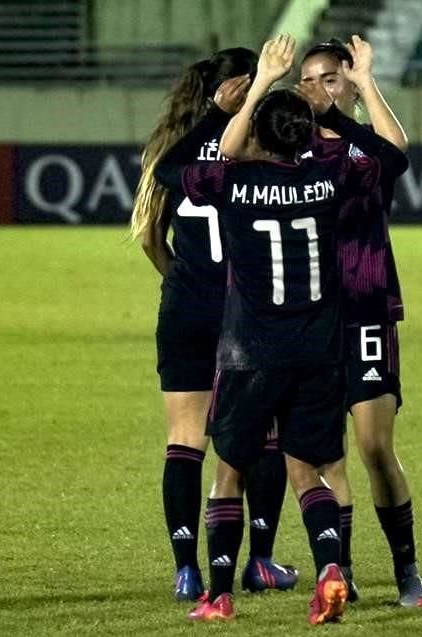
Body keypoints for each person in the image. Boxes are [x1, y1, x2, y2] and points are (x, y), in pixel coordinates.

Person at [153, 34, 409, 624]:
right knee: (307, 468)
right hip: (318, 352)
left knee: (228, 471)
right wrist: (341, 113)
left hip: (250, 351)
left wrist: (243, 99)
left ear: (256, 135)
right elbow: (392, 159)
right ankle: (328, 571)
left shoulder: (232, 185)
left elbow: (171, 167)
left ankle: (217, 594)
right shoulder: (328, 181)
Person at [130, 47, 297, 602]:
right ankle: (261, 561)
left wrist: (182, 283)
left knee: (183, 439)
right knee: (260, 435)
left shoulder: (170, 148)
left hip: (185, 305)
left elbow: (152, 237)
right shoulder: (257, 142)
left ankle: (186, 569)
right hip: (245, 310)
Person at [299, 35, 422, 608]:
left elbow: (395, 149)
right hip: (308, 322)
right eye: (308, 79)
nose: (318, 88)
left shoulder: (365, 154)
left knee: (375, 446)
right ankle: (340, 570)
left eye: (330, 76)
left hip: (368, 308)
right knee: (327, 455)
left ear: (348, 83)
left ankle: (407, 571)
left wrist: (370, 79)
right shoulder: (290, 151)